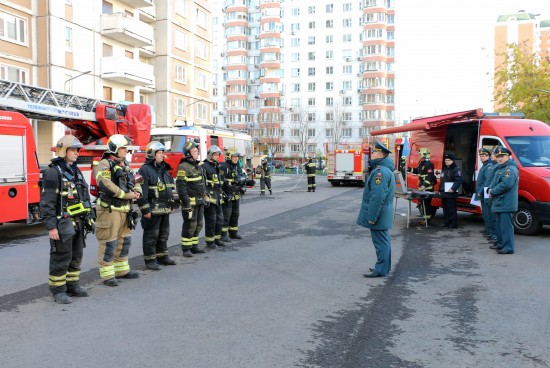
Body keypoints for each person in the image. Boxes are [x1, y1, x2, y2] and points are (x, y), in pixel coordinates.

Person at [40, 135, 93, 304]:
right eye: (73, 150)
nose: (77, 153)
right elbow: (47, 202)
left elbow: (83, 194)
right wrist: (51, 227)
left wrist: (89, 216)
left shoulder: (74, 171)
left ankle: (73, 285)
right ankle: (58, 290)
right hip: (62, 223)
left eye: (77, 150)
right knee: (61, 256)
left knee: (76, 255)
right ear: (63, 151)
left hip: (77, 221)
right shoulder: (53, 172)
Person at [93, 134, 142, 286]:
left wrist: (138, 190)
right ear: (114, 148)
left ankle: (122, 270)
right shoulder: (104, 164)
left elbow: (137, 178)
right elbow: (106, 184)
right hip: (110, 209)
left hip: (124, 209)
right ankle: (107, 275)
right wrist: (127, 195)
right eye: (122, 148)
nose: (125, 151)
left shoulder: (124, 164)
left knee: (124, 240)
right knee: (109, 241)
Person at [356, 141, 396, 278]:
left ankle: (380, 269)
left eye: (373, 152)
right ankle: (383, 267)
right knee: (383, 240)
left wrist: (372, 216)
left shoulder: (381, 172)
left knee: (380, 242)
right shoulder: (383, 170)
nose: (371, 154)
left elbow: (377, 197)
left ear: (379, 154)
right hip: (384, 212)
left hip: (380, 213)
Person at [136, 141, 177, 270]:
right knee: (151, 236)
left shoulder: (163, 169)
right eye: (159, 153)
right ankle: (150, 260)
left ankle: (162, 256)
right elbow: (142, 191)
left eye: (162, 153)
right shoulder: (145, 169)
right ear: (152, 154)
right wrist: (145, 209)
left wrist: (171, 203)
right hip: (153, 209)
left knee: (163, 235)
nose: (162, 155)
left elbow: (168, 187)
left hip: (164, 209)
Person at [176, 141, 207, 257]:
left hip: (199, 201)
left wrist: (205, 196)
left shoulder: (197, 166)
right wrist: (186, 203)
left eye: (197, 151)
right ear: (188, 153)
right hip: (190, 203)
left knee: (199, 224)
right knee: (190, 225)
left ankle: (194, 246)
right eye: (194, 151)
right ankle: (186, 248)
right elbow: (181, 187)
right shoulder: (183, 167)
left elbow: (202, 183)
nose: (197, 153)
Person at [487, 146, 519, 254]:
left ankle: (508, 247)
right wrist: (490, 189)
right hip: (500, 202)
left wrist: (492, 191)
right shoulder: (501, 168)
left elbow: (506, 185)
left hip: (506, 202)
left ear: (508, 157)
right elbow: (495, 182)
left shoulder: (510, 169)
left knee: (506, 227)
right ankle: (501, 244)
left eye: (502, 156)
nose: (500, 158)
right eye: (498, 156)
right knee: (499, 226)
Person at [219, 148, 246, 242]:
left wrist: (246, 181)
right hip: (227, 195)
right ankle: (223, 235)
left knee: (235, 215)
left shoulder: (238, 166)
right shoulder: (223, 166)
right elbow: (220, 181)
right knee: (226, 215)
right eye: (234, 157)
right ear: (229, 157)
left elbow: (241, 177)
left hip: (236, 194)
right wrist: (224, 193)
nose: (236, 159)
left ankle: (233, 233)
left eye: (237, 157)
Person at [202, 145, 226, 249]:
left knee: (220, 219)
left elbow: (220, 182)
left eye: (218, 155)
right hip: (210, 198)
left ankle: (217, 239)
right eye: (216, 154)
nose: (218, 156)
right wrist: (205, 196)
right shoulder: (204, 166)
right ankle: (210, 241)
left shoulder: (217, 166)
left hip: (218, 197)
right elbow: (202, 183)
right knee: (211, 220)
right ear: (210, 155)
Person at [412, 148, 437, 225]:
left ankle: (427, 221)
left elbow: (430, 176)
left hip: (427, 188)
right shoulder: (421, 163)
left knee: (427, 205)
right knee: (423, 205)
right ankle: (424, 220)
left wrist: (424, 185)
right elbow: (418, 172)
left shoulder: (428, 164)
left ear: (423, 154)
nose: (419, 155)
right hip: (422, 188)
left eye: (420, 154)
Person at [438, 153, 463, 228]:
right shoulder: (445, 169)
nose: (446, 161)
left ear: (452, 161)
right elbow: (442, 181)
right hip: (444, 192)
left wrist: (453, 189)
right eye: (445, 160)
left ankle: (453, 224)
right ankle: (446, 222)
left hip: (451, 192)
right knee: (445, 209)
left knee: (451, 209)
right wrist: (440, 190)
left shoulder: (456, 169)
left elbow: (459, 180)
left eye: (448, 160)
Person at [474, 148, 493, 237]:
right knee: (485, 213)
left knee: (487, 213)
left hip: (485, 192)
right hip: (483, 192)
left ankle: (490, 231)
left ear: (488, 156)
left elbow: (487, 181)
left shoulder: (488, 166)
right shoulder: (485, 165)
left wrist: (481, 191)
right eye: (480, 156)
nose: (481, 158)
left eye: (483, 156)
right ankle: (487, 229)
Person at [483, 150, 499, 244]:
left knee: (493, 216)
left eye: (493, 154)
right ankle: (492, 234)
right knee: (488, 214)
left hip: (492, 193)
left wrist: (491, 192)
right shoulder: (493, 166)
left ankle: (495, 236)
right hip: (488, 192)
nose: (491, 156)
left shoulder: (496, 166)